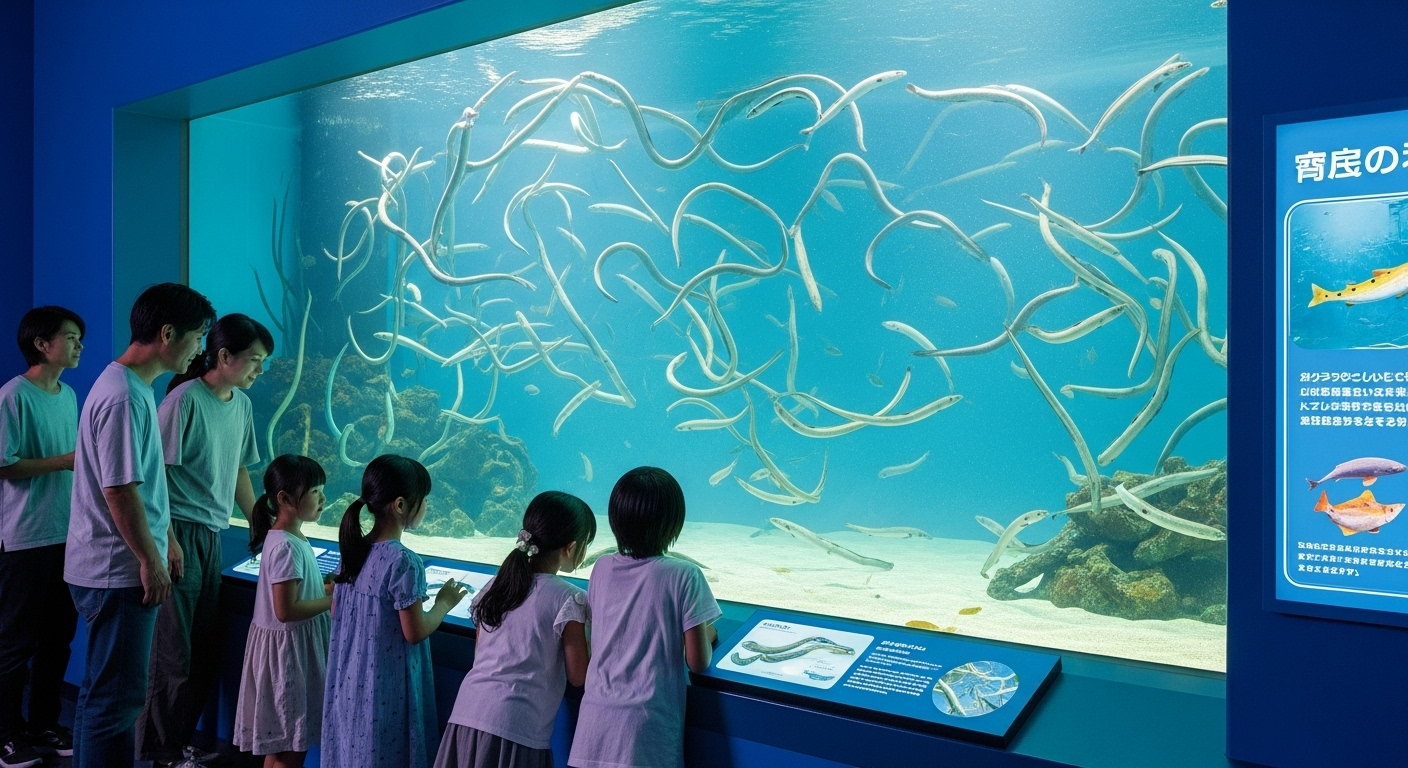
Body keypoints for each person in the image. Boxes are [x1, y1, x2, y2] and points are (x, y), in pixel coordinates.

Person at [65, 282, 215, 768]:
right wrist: (149, 560)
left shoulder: (129, 387)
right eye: (197, 338)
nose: (199, 350)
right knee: (117, 702)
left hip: (112, 565)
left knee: (102, 695)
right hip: (116, 571)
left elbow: (143, 485)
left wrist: (166, 537)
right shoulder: (126, 397)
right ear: (167, 333)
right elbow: (119, 490)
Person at [137, 313, 270, 764]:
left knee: (202, 650)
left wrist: (258, 521)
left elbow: (238, 468)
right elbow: (155, 478)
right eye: (254, 359)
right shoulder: (184, 402)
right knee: (174, 652)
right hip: (178, 532)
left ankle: (176, 740)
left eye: (263, 362)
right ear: (223, 355)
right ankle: (160, 750)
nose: (259, 370)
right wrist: (167, 540)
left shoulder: (242, 405)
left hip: (212, 535)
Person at [567, 467, 720, 768]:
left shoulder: (601, 568)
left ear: (615, 520)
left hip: (593, 727)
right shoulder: (685, 575)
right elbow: (698, 661)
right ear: (673, 522)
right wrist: (710, 634)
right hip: (646, 731)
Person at [322, 455, 468, 768]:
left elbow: (335, 610)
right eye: (423, 499)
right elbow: (414, 632)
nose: (426, 506)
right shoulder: (403, 561)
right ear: (401, 505)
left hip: (349, 682)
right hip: (384, 688)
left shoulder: (353, 549)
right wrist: (443, 602)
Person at [435, 491, 596, 768]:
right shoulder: (570, 598)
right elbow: (579, 675)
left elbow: (480, 652)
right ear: (570, 548)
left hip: (465, 715)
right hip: (516, 728)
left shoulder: (496, 586)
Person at [0, 307, 84, 768]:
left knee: (58, 639)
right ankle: (6, 733)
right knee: (15, 642)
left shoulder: (68, 394)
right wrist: (62, 461)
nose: (79, 346)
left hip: (66, 535)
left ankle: (44, 725)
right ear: (41, 343)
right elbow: (3, 463)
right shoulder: (13, 397)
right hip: (24, 537)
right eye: (71, 337)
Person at [234, 455, 331, 768]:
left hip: (289, 652)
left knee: (282, 745)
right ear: (285, 499)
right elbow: (286, 610)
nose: (323, 498)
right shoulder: (286, 546)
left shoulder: (287, 538)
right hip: (289, 657)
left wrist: (324, 589)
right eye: (315, 491)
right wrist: (334, 601)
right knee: (292, 746)